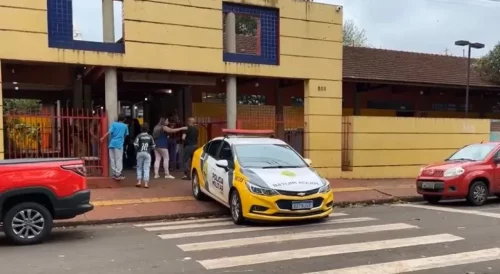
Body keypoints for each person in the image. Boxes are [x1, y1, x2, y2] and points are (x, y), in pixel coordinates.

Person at [100, 114, 129, 180]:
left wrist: (102, 138)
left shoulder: (114, 124)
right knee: (118, 159)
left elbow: (109, 132)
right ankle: (118, 174)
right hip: (119, 144)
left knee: (112, 159)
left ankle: (114, 173)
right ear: (124, 119)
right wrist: (122, 140)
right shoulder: (125, 126)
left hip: (112, 143)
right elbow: (125, 135)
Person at [134, 123, 155, 188]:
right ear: (148, 129)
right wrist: (149, 150)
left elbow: (135, 145)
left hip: (140, 153)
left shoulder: (138, 136)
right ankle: (146, 183)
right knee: (146, 168)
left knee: (139, 167)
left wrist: (137, 151)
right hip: (147, 153)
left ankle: (139, 181)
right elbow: (153, 146)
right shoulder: (150, 137)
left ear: (141, 129)